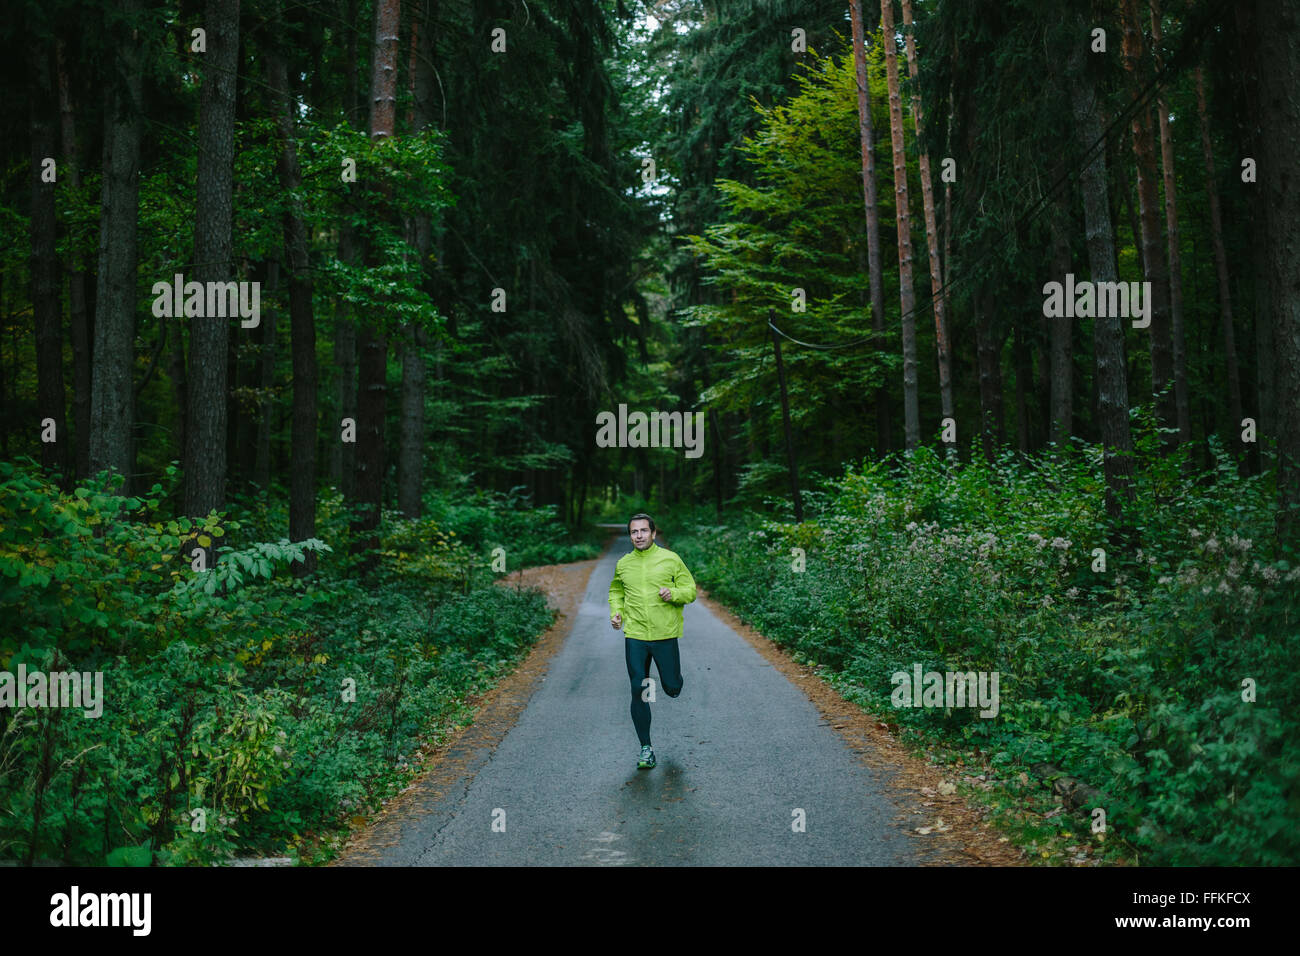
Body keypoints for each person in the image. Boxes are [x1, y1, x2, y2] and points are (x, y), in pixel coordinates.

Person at [608, 513, 697, 769]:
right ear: (630, 536)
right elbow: (617, 591)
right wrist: (617, 613)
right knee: (639, 689)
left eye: (643, 531)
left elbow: (690, 590)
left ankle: (674, 682)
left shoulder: (670, 559)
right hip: (635, 636)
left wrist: (674, 593)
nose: (639, 536)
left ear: (653, 533)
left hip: (664, 634)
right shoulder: (624, 564)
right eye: (634, 532)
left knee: (671, 688)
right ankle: (646, 748)